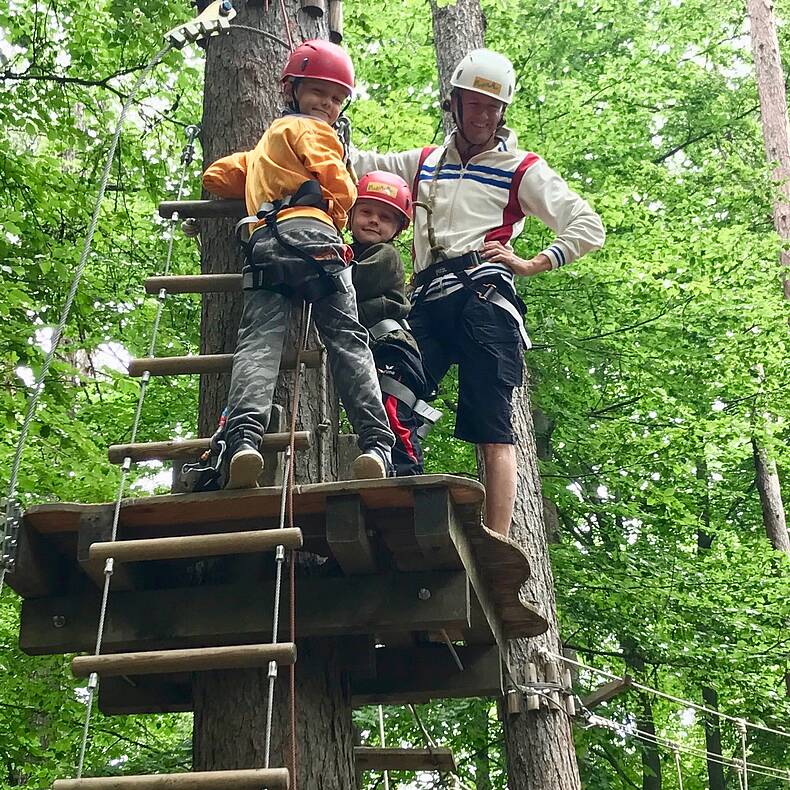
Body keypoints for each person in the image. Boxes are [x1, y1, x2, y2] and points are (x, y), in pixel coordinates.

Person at [352, 48, 605, 535]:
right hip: (425, 301)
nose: (484, 116)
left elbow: (586, 224)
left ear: (503, 111)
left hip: (484, 298)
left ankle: (496, 544)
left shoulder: (520, 168)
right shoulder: (424, 162)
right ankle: (398, 512)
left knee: (490, 425)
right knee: (393, 398)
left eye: (493, 107)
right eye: (475, 105)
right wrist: (314, 121)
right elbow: (353, 163)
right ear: (455, 104)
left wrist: (533, 263)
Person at [202, 39, 395, 488]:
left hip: (265, 243)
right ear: (292, 90)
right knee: (347, 338)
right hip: (315, 238)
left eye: (335, 98)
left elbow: (216, 176)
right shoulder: (313, 131)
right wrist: (339, 213)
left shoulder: (265, 147)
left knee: (259, 340)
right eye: (319, 93)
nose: (327, 104)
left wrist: (263, 172)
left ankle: (243, 440)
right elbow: (339, 182)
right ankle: (375, 444)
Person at [348, 170, 437, 475]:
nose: (374, 220)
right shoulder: (349, 252)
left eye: (385, 217)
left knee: (393, 411)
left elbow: (351, 282)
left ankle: (408, 473)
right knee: (376, 409)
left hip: (392, 350)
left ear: (397, 229)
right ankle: (386, 465)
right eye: (366, 212)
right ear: (350, 215)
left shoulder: (384, 256)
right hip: (373, 349)